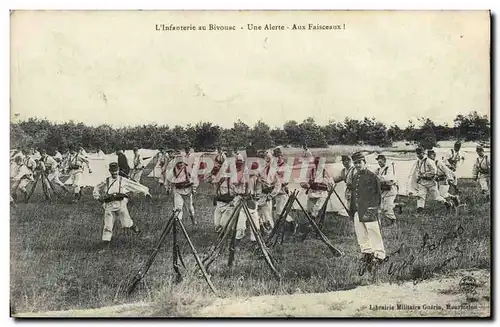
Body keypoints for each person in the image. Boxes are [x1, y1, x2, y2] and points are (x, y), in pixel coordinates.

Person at [93, 162, 150, 245]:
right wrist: (97, 197)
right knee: (108, 225)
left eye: (116, 171)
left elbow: (135, 185)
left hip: (121, 203)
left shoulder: (123, 180)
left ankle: (139, 233)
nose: (114, 173)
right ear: (109, 171)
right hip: (109, 204)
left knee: (126, 223)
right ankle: (105, 245)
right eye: (112, 172)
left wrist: (146, 192)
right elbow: (97, 187)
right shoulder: (106, 180)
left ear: (118, 170)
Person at [349, 152, 386, 264]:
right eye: (355, 163)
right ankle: (367, 253)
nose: (357, 165)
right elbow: (353, 194)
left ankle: (380, 256)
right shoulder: (355, 176)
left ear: (364, 162)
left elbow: (377, 195)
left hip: (369, 209)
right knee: (361, 233)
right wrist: (352, 210)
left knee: (373, 231)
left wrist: (373, 209)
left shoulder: (372, 176)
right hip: (357, 209)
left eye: (359, 162)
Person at [408, 148, 452, 213]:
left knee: (436, 197)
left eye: (420, 153)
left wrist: (425, 175)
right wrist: (418, 178)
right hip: (422, 182)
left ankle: (447, 203)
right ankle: (420, 210)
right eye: (417, 154)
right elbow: (417, 171)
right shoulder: (418, 162)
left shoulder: (429, 161)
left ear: (423, 153)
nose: (419, 155)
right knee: (421, 196)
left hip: (431, 182)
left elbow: (434, 171)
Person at [268, 147, 297, 233]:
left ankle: (292, 222)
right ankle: (274, 228)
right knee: (270, 211)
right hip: (272, 191)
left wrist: (277, 183)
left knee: (280, 212)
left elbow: (286, 181)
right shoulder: (273, 166)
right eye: (275, 156)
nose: (277, 158)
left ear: (281, 156)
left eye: (278, 156)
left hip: (281, 192)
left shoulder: (286, 167)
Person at [168, 151, 199, 225]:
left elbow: (194, 180)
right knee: (178, 207)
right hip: (178, 190)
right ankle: (178, 222)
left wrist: (193, 189)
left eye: (181, 163)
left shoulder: (188, 169)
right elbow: (170, 180)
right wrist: (169, 187)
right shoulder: (173, 170)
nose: (180, 164)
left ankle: (193, 218)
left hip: (187, 190)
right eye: (178, 163)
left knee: (190, 208)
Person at [300, 156, 334, 221]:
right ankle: (310, 224)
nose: (319, 165)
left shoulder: (325, 172)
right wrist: (305, 184)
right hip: (312, 193)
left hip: (322, 194)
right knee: (309, 210)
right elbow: (304, 181)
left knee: (318, 210)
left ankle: (318, 225)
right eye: (317, 163)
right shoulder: (311, 171)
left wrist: (328, 186)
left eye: (321, 163)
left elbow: (331, 183)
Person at [374, 154, 398, 225]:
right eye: (378, 162)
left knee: (388, 207)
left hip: (390, 190)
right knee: (382, 208)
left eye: (380, 162)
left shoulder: (389, 168)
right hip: (382, 191)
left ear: (384, 161)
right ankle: (386, 222)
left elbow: (388, 178)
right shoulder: (378, 170)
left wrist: (377, 178)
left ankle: (393, 221)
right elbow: (373, 176)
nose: (379, 163)